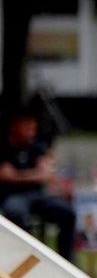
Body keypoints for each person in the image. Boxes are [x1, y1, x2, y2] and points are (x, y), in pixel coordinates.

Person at [1, 110, 77, 261]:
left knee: (68, 213)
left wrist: (20, 175)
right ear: (15, 127)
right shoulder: (4, 147)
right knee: (16, 214)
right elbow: (5, 176)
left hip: (37, 195)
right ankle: (21, 257)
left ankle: (67, 259)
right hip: (12, 196)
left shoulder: (37, 146)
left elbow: (45, 173)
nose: (31, 133)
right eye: (27, 128)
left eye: (33, 129)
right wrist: (34, 174)